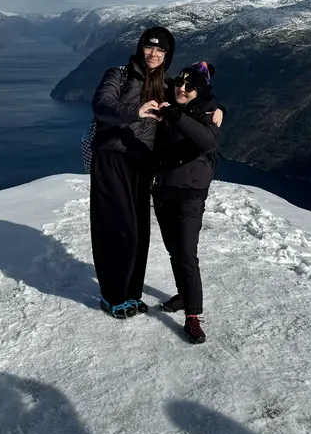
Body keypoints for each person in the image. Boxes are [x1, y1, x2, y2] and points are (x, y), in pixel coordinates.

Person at [90, 26, 176, 318]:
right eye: (150, 47)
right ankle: (112, 296)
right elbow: (101, 104)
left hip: (142, 164)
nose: (154, 54)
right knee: (117, 229)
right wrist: (134, 111)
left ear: (167, 55)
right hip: (112, 158)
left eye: (161, 50)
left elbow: (195, 95)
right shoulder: (119, 74)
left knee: (139, 233)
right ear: (141, 48)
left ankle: (131, 294)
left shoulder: (166, 84)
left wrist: (219, 108)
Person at [151, 61, 223, 345]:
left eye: (190, 86)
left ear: (200, 90)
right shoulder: (173, 97)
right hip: (163, 189)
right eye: (179, 83)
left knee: (187, 254)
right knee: (174, 250)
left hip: (190, 194)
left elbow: (207, 142)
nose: (181, 89)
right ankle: (183, 294)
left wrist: (174, 114)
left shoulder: (208, 113)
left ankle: (193, 315)